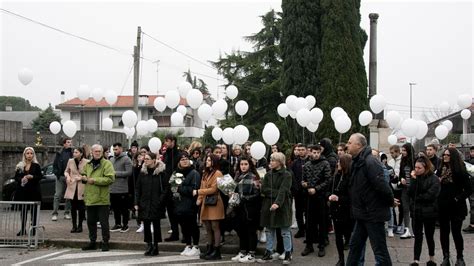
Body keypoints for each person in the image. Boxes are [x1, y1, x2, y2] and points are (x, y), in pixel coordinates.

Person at [345, 133, 394, 265]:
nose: (347, 145)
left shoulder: (370, 162)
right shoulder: (357, 162)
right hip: (362, 214)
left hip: (373, 215)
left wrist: (390, 201)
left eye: (350, 143)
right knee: (355, 248)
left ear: (359, 145)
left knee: (380, 251)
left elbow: (382, 186)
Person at [438, 148, 473, 266]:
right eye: (444, 155)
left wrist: (458, 198)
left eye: (447, 155)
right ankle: (445, 256)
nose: (445, 156)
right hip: (443, 206)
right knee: (444, 232)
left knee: (456, 232)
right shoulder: (440, 170)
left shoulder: (460, 170)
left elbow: (469, 189)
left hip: (457, 206)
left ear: (453, 156)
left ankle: (460, 257)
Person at [257, 152, 293, 265]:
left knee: (285, 231)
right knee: (269, 230)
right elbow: (264, 190)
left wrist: (277, 202)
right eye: (270, 160)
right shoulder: (268, 175)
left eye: (273, 160)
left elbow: (284, 190)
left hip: (282, 206)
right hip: (268, 205)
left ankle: (288, 253)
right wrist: (275, 194)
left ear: (280, 162)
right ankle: (268, 252)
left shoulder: (287, 175)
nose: (270, 162)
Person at [81, 144, 115, 252]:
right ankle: (92, 242)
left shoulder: (107, 163)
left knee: (104, 223)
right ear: (91, 152)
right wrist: (83, 177)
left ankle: (105, 242)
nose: (97, 153)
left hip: (102, 199)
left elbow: (110, 179)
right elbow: (84, 175)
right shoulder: (88, 164)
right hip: (90, 198)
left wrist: (94, 180)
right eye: (95, 151)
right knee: (90, 222)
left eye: (99, 151)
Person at [408, 156, 440, 266]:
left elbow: (430, 195)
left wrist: (418, 196)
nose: (416, 170)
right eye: (415, 167)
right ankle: (416, 259)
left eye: (419, 168)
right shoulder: (415, 178)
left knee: (429, 235)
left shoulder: (434, 178)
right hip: (416, 211)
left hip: (429, 212)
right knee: (418, 236)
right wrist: (413, 180)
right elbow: (410, 193)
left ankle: (432, 258)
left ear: (425, 168)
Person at [135, 152, 168, 256]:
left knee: (156, 225)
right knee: (146, 224)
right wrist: (136, 202)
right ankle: (149, 245)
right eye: (145, 159)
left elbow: (166, 189)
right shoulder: (142, 173)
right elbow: (137, 188)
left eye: (148, 159)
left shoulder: (161, 173)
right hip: (144, 202)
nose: (145, 161)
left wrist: (160, 200)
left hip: (156, 203)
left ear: (154, 160)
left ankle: (156, 246)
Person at [301, 144, 332, 258]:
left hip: (321, 198)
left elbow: (328, 180)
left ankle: (322, 245)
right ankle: (309, 245)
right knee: (309, 222)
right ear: (311, 153)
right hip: (309, 197)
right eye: (314, 152)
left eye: (318, 152)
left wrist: (316, 189)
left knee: (322, 222)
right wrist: (304, 184)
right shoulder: (307, 165)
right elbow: (304, 179)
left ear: (320, 153)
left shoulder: (325, 164)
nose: (316, 154)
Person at [231, 156, 261, 263]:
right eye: (241, 164)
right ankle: (242, 251)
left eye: (245, 164)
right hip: (239, 208)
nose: (243, 166)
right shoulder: (238, 176)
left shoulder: (253, 177)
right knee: (241, 231)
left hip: (250, 209)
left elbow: (257, 194)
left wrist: (244, 198)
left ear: (250, 165)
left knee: (251, 231)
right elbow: (234, 190)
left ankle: (251, 253)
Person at [196, 154, 225, 260]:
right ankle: (210, 248)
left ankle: (217, 250)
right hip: (206, 202)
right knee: (207, 227)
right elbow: (202, 185)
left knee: (215, 226)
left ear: (214, 161)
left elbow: (214, 189)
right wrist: (199, 198)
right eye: (206, 160)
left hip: (215, 202)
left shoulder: (218, 173)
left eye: (209, 160)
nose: (207, 162)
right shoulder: (205, 173)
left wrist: (198, 192)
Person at [173, 152, 202, 257]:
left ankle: (196, 246)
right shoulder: (177, 173)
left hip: (191, 204)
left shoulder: (194, 173)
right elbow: (173, 187)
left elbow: (194, 189)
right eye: (182, 159)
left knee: (192, 225)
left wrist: (180, 188)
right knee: (184, 226)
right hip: (179, 204)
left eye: (186, 159)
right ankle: (188, 245)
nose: (184, 161)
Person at [328, 154, 353, 266]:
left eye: (340, 162)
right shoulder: (336, 176)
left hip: (347, 212)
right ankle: (341, 259)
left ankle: (351, 259)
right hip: (335, 211)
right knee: (338, 236)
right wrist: (329, 196)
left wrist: (339, 198)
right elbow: (330, 189)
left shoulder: (351, 178)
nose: (337, 164)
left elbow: (352, 197)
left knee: (349, 235)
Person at [15, 147, 43, 236]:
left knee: (33, 212)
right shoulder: (20, 165)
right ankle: (23, 229)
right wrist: (21, 179)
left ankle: (34, 229)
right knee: (23, 211)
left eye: (31, 153)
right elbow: (16, 177)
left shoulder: (36, 165)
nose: (29, 155)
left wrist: (32, 177)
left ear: (33, 155)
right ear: (24, 154)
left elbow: (40, 176)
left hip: (33, 191)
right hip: (23, 191)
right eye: (28, 153)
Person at [109, 143, 133, 233]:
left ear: (121, 149)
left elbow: (129, 172)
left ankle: (125, 225)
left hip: (123, 189)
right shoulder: (111, 159)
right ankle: (117, 224)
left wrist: (116, 173)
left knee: (124, 208)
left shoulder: (126, 159)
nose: (115, 151)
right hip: (112, 188)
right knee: (115, 208)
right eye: (114, 149)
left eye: (117, 149)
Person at [64, 147, 89, 233]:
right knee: (73, 207)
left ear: (81, 153)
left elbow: (89, 174)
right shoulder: (70, 161)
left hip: (81, 186)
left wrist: (81, 177)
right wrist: (67, 176)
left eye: (76, 152)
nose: (74, 154)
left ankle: (80, 225)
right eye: (74, 152)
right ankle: (74, 225)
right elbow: (66, 171)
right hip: (72, 186)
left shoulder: (87, 162)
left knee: (81, 207)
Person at [163, 134, 181, 242]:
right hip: (167, 186)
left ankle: (186, 234)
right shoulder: (166, 154)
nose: (166, 143)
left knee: (179, 211)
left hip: (176, 185)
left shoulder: (179, 154)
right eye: (165, 141)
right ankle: (175, 233)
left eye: (168, 141)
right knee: (170, 211)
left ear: (173, 142)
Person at [289, 144, 308, 238]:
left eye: (302, 149)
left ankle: (309, 230)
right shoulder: (295, 163)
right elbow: (291, 176)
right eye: (299, 150)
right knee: (298, 212)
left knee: (308, 212)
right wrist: (295, 188)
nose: (300, 151)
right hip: (298, 192)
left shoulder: (310, 161)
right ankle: (301, 230)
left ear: (306, 151)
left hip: (308, 192)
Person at [52, 137, 73, 221]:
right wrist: (57, 174)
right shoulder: (59, 153)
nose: (70, 144)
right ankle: (54, 213)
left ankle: (67, 213)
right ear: (64, 144)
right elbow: (55, 165)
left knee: (68, 196)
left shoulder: (73, 153)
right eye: (68, 142)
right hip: (60, 177)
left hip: (70, 177)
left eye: (71, 142)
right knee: (58, 195)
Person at [399, 143, 415, 239]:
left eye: (404, 150)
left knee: (413, 209)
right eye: (402, 150)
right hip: (405, 188)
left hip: (413, 188)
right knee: (405, 209)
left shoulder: (415, 160)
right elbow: (401, 174)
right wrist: (401, 179)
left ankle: (414, 229)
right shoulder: (403, 160)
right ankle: (407, 229)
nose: (403, 152)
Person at [464, 146, 474, 233]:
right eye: (471, 151)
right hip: (471, 185)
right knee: (472, 205)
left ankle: (472, 224)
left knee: (473, 205)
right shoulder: (467, 161)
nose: (472, 153)